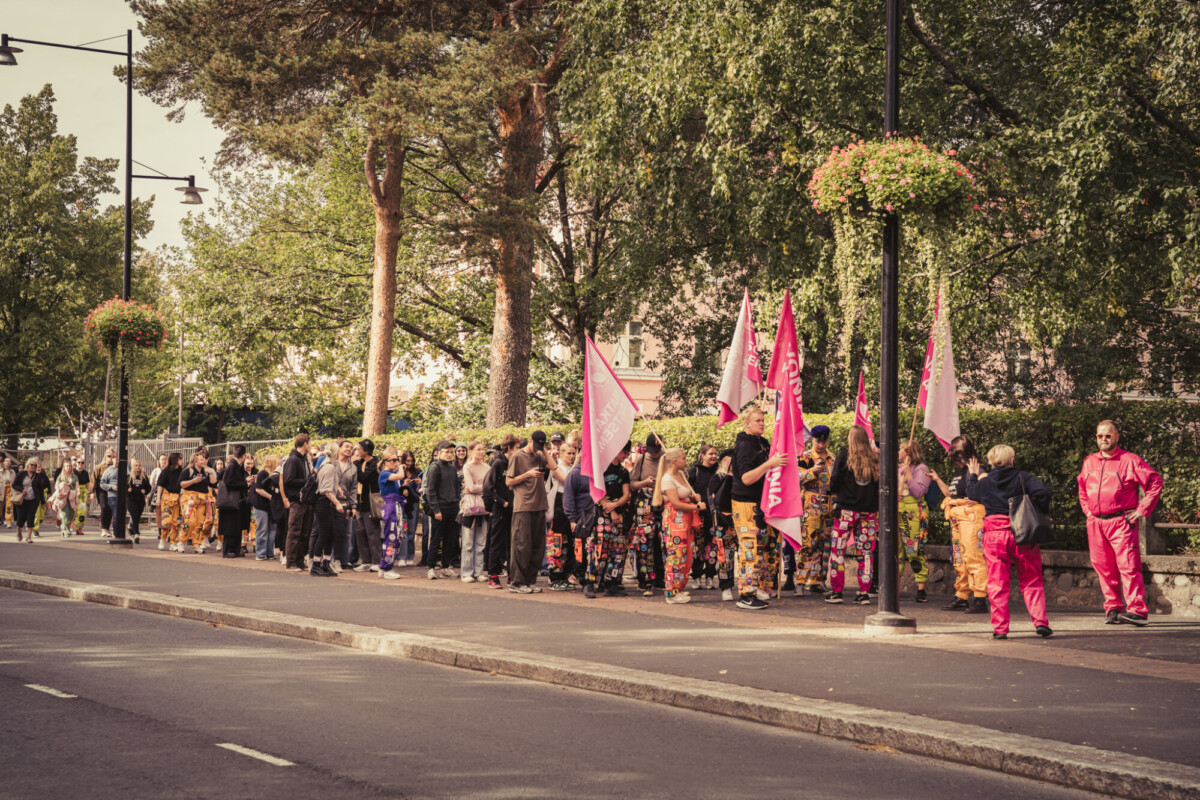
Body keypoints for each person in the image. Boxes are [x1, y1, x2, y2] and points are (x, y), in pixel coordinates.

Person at [1077, 420, 1163, 627]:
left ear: (1116, 437)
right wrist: (1087, 510)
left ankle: (1137, 611)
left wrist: (1142, 509)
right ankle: (1113, 609)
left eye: (1108, 435)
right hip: (1096, 522)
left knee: (1128, 566)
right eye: (1100, 436)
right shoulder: (1089, 461)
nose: (1103, 439)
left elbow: (1155, 482)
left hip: (1121, 521)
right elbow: (1081, 487)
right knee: (1103, 568)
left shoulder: (1130, 460)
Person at [965, 444, 1053, 639]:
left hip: (994, 536)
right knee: (1031, 580)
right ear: (1011, 460)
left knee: (997, 584)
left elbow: (971, 493)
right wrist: (1035, 506)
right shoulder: (1022, 477)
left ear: (990, 462)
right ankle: (1040, 622)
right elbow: (1044, 493)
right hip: (1021, 532)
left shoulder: (986, 482)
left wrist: (972, 474)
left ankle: (1000, 629)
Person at [731, 406, 788, 610]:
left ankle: (756, 589)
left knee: (761, 551)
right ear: (746, 424)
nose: (762, 423)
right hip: (745, 503)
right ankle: (745, 595)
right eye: (757, 421)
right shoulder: (744, 446)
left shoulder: (762, 443)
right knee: (749, 549)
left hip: (760, 504)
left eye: (763, 420)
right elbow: (747, 478)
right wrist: (769, 464)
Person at [929, 436, 988, 613]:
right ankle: (962, 596)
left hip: (970, 517)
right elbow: (950, 493)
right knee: (960, 558)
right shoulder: (961, 472)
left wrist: (978, 496)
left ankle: (980, 598)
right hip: (957, 518)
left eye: (954, 451)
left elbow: (987, 485)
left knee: (973, 556)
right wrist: (937, 479)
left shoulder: (976, 469)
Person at [827, 425, 880, 605]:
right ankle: (864, 592)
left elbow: (833, 484)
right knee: (866, 553)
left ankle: (836, 591)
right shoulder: (875, 459)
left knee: (838, 551)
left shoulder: (844, 457)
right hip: (868, 513)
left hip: (846, 512)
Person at [506, 431, 557, 593]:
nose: (536, 449)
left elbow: (554, 467)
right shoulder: (517, 456)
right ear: (529, 440)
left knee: (537, 545)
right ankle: (517, 583)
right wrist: (527, 474)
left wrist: (544, 451)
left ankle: (530, 580)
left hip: (539, 505)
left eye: (540, 445)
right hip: (523, 505)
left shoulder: (540, 454)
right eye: (535, 445)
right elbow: (509, 481)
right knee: (522, 545)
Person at [655, 447, 702, 604]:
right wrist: (696, 507)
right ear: (674, 461)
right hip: (675, 520)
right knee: (676, 554)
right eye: (683, 458)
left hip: (685, 521)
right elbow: (675, 503)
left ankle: (679, 588)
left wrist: (694, 498)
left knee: (686, 554)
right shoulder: (667, 479)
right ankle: (671, 592)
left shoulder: (681, 474)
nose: (685, 460)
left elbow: (686, 496)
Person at [795, 425, 835, 596]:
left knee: (825, 545)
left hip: (829, 503)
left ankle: (818, 580)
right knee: (808, 543)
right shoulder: (805, 457)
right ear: (812, 439)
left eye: (824, 440)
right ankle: (801, 581)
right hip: (811, 503)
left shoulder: (832, 458)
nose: (821, 444)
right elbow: (795, 479)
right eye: (818, 440)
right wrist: (811, 472)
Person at [629, 435, 665, 596]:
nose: (654, 455)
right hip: (644, 505)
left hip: (662, 502)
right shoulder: (641, 459)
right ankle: (645, 579)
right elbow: (632, 483)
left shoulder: (667, 458)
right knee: (644, 542)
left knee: (661, 542)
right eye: (652, 451)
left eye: (657, 451)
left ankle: (660, 578)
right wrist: (645, 483)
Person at [897, 438, 932, 602]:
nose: (898, 452)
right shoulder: (898, 469)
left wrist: (909, 475)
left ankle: (921, 588)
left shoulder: (922, 469)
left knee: (914, 549)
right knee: (896, 550)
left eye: (901, 449)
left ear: (909, 452)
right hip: (898, 510)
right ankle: (893, 586)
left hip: (915, 513)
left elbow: (918, 492)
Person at [483, 435, 519, 589]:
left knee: (513, 543)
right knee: (496, 542)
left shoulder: (517, 463)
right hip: (500, 509)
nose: (519, 450)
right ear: (509, 448)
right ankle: (493, 575)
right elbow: (488, 489)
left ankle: (512, 574)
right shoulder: (498, 464)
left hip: (515, 509)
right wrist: (502, 502)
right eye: (517, 447)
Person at [424, 440, 461, 579]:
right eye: (446, 452)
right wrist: (436, 510)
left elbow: (457, 488)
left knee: (450, 539)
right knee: (436, 538)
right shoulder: (435, 467)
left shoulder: (452, 468)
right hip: (440, 509)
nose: (449, 454)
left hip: (453, 508)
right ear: (439, 453)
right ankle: (431, 567)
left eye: (452, 452)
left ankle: (445, 567)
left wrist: (457, 504)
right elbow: (431, 491)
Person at [708, 448, 739, 602]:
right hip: (723, 521)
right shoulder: (717, 477)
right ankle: (726, 587)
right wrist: (728, 476)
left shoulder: (742, 477)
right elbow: (715, 500)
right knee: (725, 556)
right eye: (729, 459)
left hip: (741, 519)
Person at [544, 441, 576, 590]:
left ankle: (565, 576)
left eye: (573, 452)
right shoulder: (555, 466)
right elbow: (567, 480)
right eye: (568, 453)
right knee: (557, 542)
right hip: (558, 506)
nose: (571, 455)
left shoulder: (573, 468)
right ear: (561, 453)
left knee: (569, 543)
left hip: (571, 506)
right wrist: (578, 462)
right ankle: (554, 577)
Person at [687, 445, 720, 590]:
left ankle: (710, 577)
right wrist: (695, 500)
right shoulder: (694, 471)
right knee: (698, 548)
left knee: (712, 547)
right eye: (710, 453)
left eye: (715, 453)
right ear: (702, 455)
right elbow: (687, 490)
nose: (713, 456)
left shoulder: (720, 471)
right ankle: (696, 577)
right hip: (698, 515)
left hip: (715, 516)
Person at [281, 434, 314, 573]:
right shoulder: (293, 459)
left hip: (305, 500)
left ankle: (299, 560)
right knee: (294, 531)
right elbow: (288, 480)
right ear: (305, 444)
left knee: (304, 532)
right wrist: (306, 481)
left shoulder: (304, 459)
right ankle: (291, 562)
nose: (310, 446)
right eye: (309, 443)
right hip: (297, 501)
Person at [459, 441, 491, 583]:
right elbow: (470, 487)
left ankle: (478, 572)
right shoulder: (467, 467)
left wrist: (477, 488)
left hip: (484, 507)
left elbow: (489, 487)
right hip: (470, 508)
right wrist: (481, 487)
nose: (481, 452)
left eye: (483, 449)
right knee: (468, 542)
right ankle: (466, 572)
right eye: (478, 449)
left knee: (481, 542)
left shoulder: (487, 467)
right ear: (471, 451)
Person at [375, 446, 406, 580]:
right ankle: (387, 567)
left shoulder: (390, 475)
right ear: (386, 461)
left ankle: (384, 566)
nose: (396, 462)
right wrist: (401, 467)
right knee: (391, 537)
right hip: (391, 508)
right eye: (394, 460)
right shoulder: (384, 473)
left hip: (396, 506)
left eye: (397, 459)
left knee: (396, 536)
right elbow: (400, 475)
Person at [179, 449, 217, 554]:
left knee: (199, 523)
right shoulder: (188, 471)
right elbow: (181, 484)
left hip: (202, 500)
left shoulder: (206, 472)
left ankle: (197, 544)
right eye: (201, 459)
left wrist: (210, 473)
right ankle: (181, 541)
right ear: (195, 461)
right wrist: (193, 481)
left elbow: (214, 484)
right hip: (189, 499)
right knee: (190, 521)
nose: (204, 461)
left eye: (204, 459)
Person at [218, 446, 248, 558]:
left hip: (235, 501)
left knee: (235, 525)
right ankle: (228, 550)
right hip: (231, 501)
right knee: (230, 526)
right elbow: (229, 482)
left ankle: (235, 549)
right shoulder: (232, 466)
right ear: (243, 456)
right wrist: (245, 484)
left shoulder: (234, 465)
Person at [11, 458, 49, 543]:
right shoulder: (21, 474)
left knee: (31, 517)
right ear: (27, 465)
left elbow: (40, 490)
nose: (33, 467)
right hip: (22, 500)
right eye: (31, 465)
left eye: (35, 465)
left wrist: (43, 502)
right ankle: (19, 531)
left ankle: (28, 536)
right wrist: (21, 490)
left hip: (33, 500)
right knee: (21, 518)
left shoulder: (38, 476)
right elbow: (14, 485)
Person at [252, 453, 280, 560]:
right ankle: (261, 553)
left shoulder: (273, 474)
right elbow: (258, 489)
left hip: (269, 506)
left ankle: (269, 552)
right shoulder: (263, 473)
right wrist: (271, 497)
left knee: (272, 529)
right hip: (261, 505)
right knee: (262, 529)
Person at [156, 453, 183, 551]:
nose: (182, 461)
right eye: (180, 459)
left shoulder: (182, 471)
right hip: (167, 497)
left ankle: (173, 542)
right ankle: (163, 539)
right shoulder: (166, 471)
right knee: (167, 521)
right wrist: (158, 498)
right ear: (175, 460)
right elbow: (160, 485)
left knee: (177, 522)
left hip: (178, 498)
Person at [398, 450, 421, 567]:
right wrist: (403, 485)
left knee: (411, 532)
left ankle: (410, 556)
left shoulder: (418, 472)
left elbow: (421, 492)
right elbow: (395, 488)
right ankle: (402, 556)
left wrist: (420, 483)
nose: (409, 463)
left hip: (413, 505)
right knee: (404, 531)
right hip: (402, 505)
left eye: (411, 461)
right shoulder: (398, 472)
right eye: (407, 461)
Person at [50, 460, 80, 538]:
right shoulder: (61, 476)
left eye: (70, 466)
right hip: (63, 498)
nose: (69, 467)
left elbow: (77, 486)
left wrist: (78, 492)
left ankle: (64, 527)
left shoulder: (74, 477)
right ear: (64, 467)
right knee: (65, 514)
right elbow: (56, 485)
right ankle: (66, 531)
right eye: (67, 466)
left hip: (72, 497)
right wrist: (59, 492)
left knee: (71, 514)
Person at [92, 448, 117, 538]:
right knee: (104, 506)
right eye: (109, 456)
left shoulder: (116, 468)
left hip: (112, 491)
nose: (111, 458)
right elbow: (93, 479)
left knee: (110, 508)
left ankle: (107, 528)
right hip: (101, 490)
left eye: (113, 457)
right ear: (105, 456)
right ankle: (103, 528)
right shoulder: (100, 467)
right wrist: (92, 492)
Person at [127, 458, 152, 544]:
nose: (138, 467)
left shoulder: (144, 477)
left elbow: (149, 487)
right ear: (133, 467)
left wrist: (145, 491)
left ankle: (131, 529)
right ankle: (136, 533)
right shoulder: (129, 477)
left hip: (140, 499)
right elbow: (124, 487)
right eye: (136, 465)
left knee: (137, 516)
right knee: (134, 515)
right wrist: (128, 490)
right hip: (131, 499)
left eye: (139, 465)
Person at [1, 455, 15, 528]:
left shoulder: (12, 472)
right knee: (0, 505)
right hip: (1, 489)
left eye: (10, 461)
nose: (8, 462)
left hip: (10, 489)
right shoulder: (0, 471)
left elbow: (15, 482)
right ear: (3, 463)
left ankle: (8, 521)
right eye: (7, 461)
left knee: (9, 506)